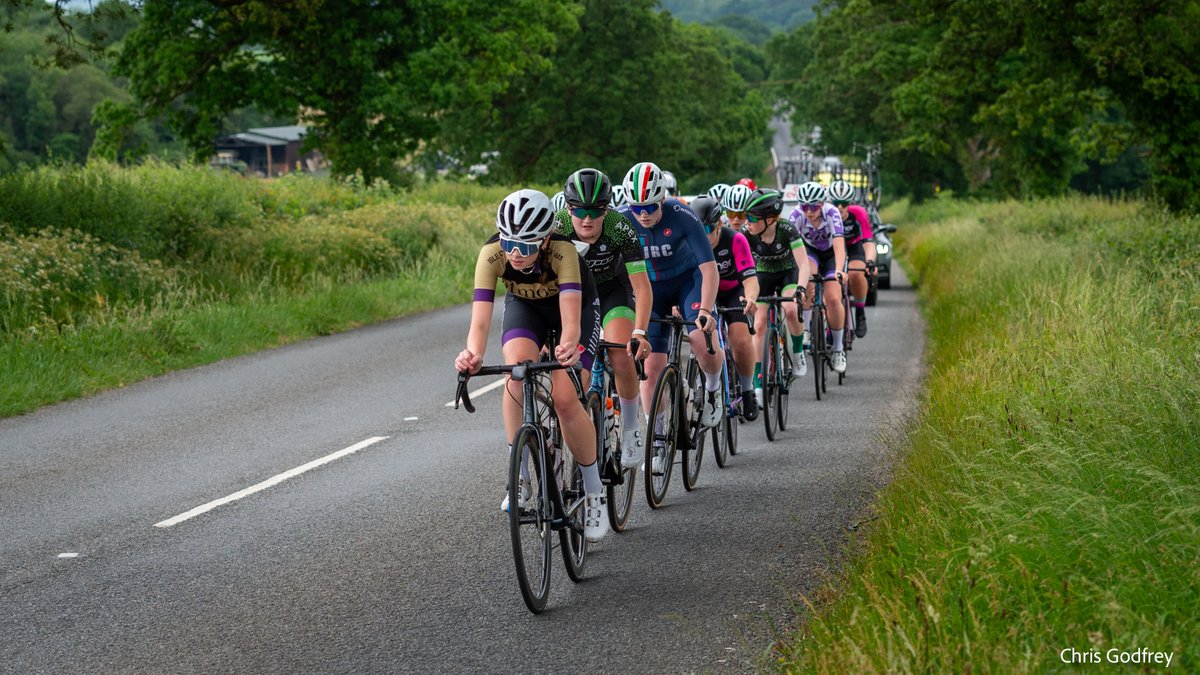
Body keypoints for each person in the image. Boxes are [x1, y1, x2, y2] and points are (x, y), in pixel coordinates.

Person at [455, 189, 609, 542]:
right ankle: (520, 477)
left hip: (575, 309)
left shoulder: (564, 252)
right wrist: (472, 354)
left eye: (525, 247)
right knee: (516, 373)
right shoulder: (492, 254)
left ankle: (593, 490)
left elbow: (570, 320)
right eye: (510, 243)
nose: (515, 254)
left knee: (566, 398)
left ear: (544, 240)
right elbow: (480, 323)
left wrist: (569, 345)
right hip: (526, 309)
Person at [619, 161, 723, 474]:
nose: (644, 214)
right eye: (637, 207)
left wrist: (705, 310)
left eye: (650, 206)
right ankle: (659, 438)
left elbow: (708, 269)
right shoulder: (623, 221)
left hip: (687, 283)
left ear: (662, 198)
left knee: (699, 340)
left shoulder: (682, 215)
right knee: (650, 368)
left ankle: (714, 390)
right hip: (650, 291)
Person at [554, 168, 653, 469]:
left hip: (612, 290)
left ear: (607, 208)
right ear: (567, 207)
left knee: (621, 354)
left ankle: (632, 428)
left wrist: (639, 331)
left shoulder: (619, 227)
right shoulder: (557, 227)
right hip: (574, 296)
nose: (587, 219)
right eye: (580, 210)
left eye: (596, 210)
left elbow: (641, 286)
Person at [693, 196, 761, 421]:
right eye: (698, 229)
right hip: (704, 293)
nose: (703, 235)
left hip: (733, 292)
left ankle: (747, 388)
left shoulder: (736, 239)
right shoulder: (690, 242)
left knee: (740, 340)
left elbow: (750, 279)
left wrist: (750, 299)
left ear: (719, 225)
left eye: (707, 229)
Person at [742, 188, 811, 407]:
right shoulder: (746, 234)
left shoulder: (787, 229)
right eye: (747, 217)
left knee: (790, 310)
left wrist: (801, 288)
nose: (748, 222)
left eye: (753, 218)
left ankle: (798, 351)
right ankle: (759, 380)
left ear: (770, 219)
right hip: (762, 274)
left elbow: (803, 264)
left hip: (787, 273)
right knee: (760, 324)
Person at [788, 181, 848, 374]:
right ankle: (805, 329)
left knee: (832, 297)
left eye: (812, 206)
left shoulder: (832, 213)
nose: (808, 211)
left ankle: (838, 349)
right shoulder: (796, 215)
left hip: (831, 253)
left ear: (821, 204)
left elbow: (839, 244)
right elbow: (791, 248)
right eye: (804, 206)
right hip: (811, 252)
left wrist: (839, 270)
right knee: (807, 283)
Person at [828, 180, 876, 338]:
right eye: (836, 203)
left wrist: (869, 261)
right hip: (832, 248)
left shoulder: (859, 213)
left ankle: (860, 311)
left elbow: (868, 241)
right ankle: (828, 323)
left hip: (853, 246)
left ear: (850, 203)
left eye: (844, 203)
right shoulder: (825, 214)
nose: (840, 207)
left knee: (856, 273)